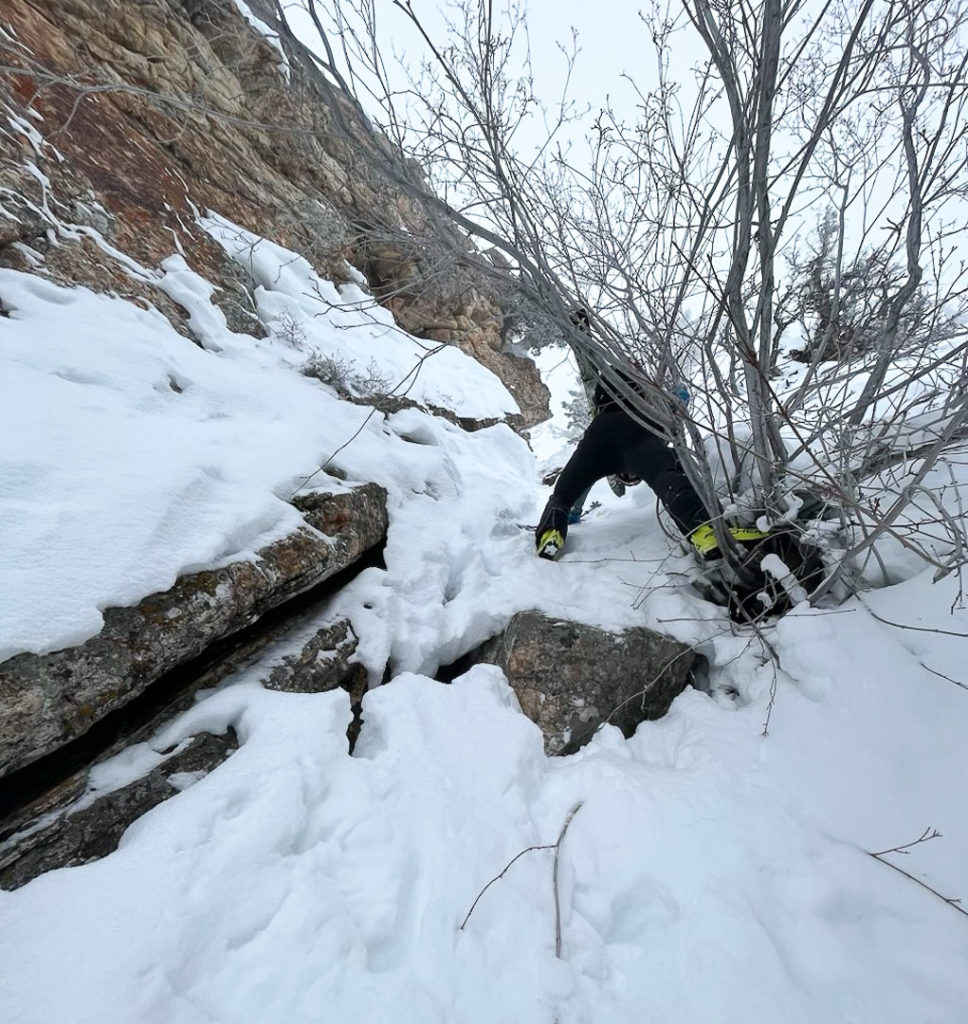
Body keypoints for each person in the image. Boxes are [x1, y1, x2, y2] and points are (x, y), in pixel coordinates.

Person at [536, 316, 766, 561]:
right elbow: (671, 470)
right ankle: (703, 530)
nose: (632, 475)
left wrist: (569, 514)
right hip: (630, 414)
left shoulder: (599, 454)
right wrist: (677, 401)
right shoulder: (639, 445)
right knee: (668, 477)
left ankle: (551, 534)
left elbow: (568, 491)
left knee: (564, 495)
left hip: (607, 420)